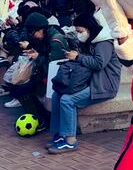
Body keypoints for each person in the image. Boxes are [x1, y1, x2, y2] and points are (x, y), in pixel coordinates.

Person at [47, 12, 121, 154]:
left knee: (67, 100)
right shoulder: (91, 40)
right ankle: (59, 135)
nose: (78, 34)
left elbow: (99, 64)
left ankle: (70, 141)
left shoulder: (104, 42)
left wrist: (78, 57)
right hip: (91, 82)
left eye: (80, 31)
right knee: (57, 95)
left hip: (104, 85)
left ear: (88, 28)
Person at [4, 12, 69, 129]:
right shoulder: (46, 37)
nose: (32, 36)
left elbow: (54, 67)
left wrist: (37, 57)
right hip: (43, 76)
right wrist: (32, 51)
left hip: (55, 80)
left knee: (22, 91)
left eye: (33, 33)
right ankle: (39, 118)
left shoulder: (56, 41)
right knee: (16, 90)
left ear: (40, 30)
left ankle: (42, 120)